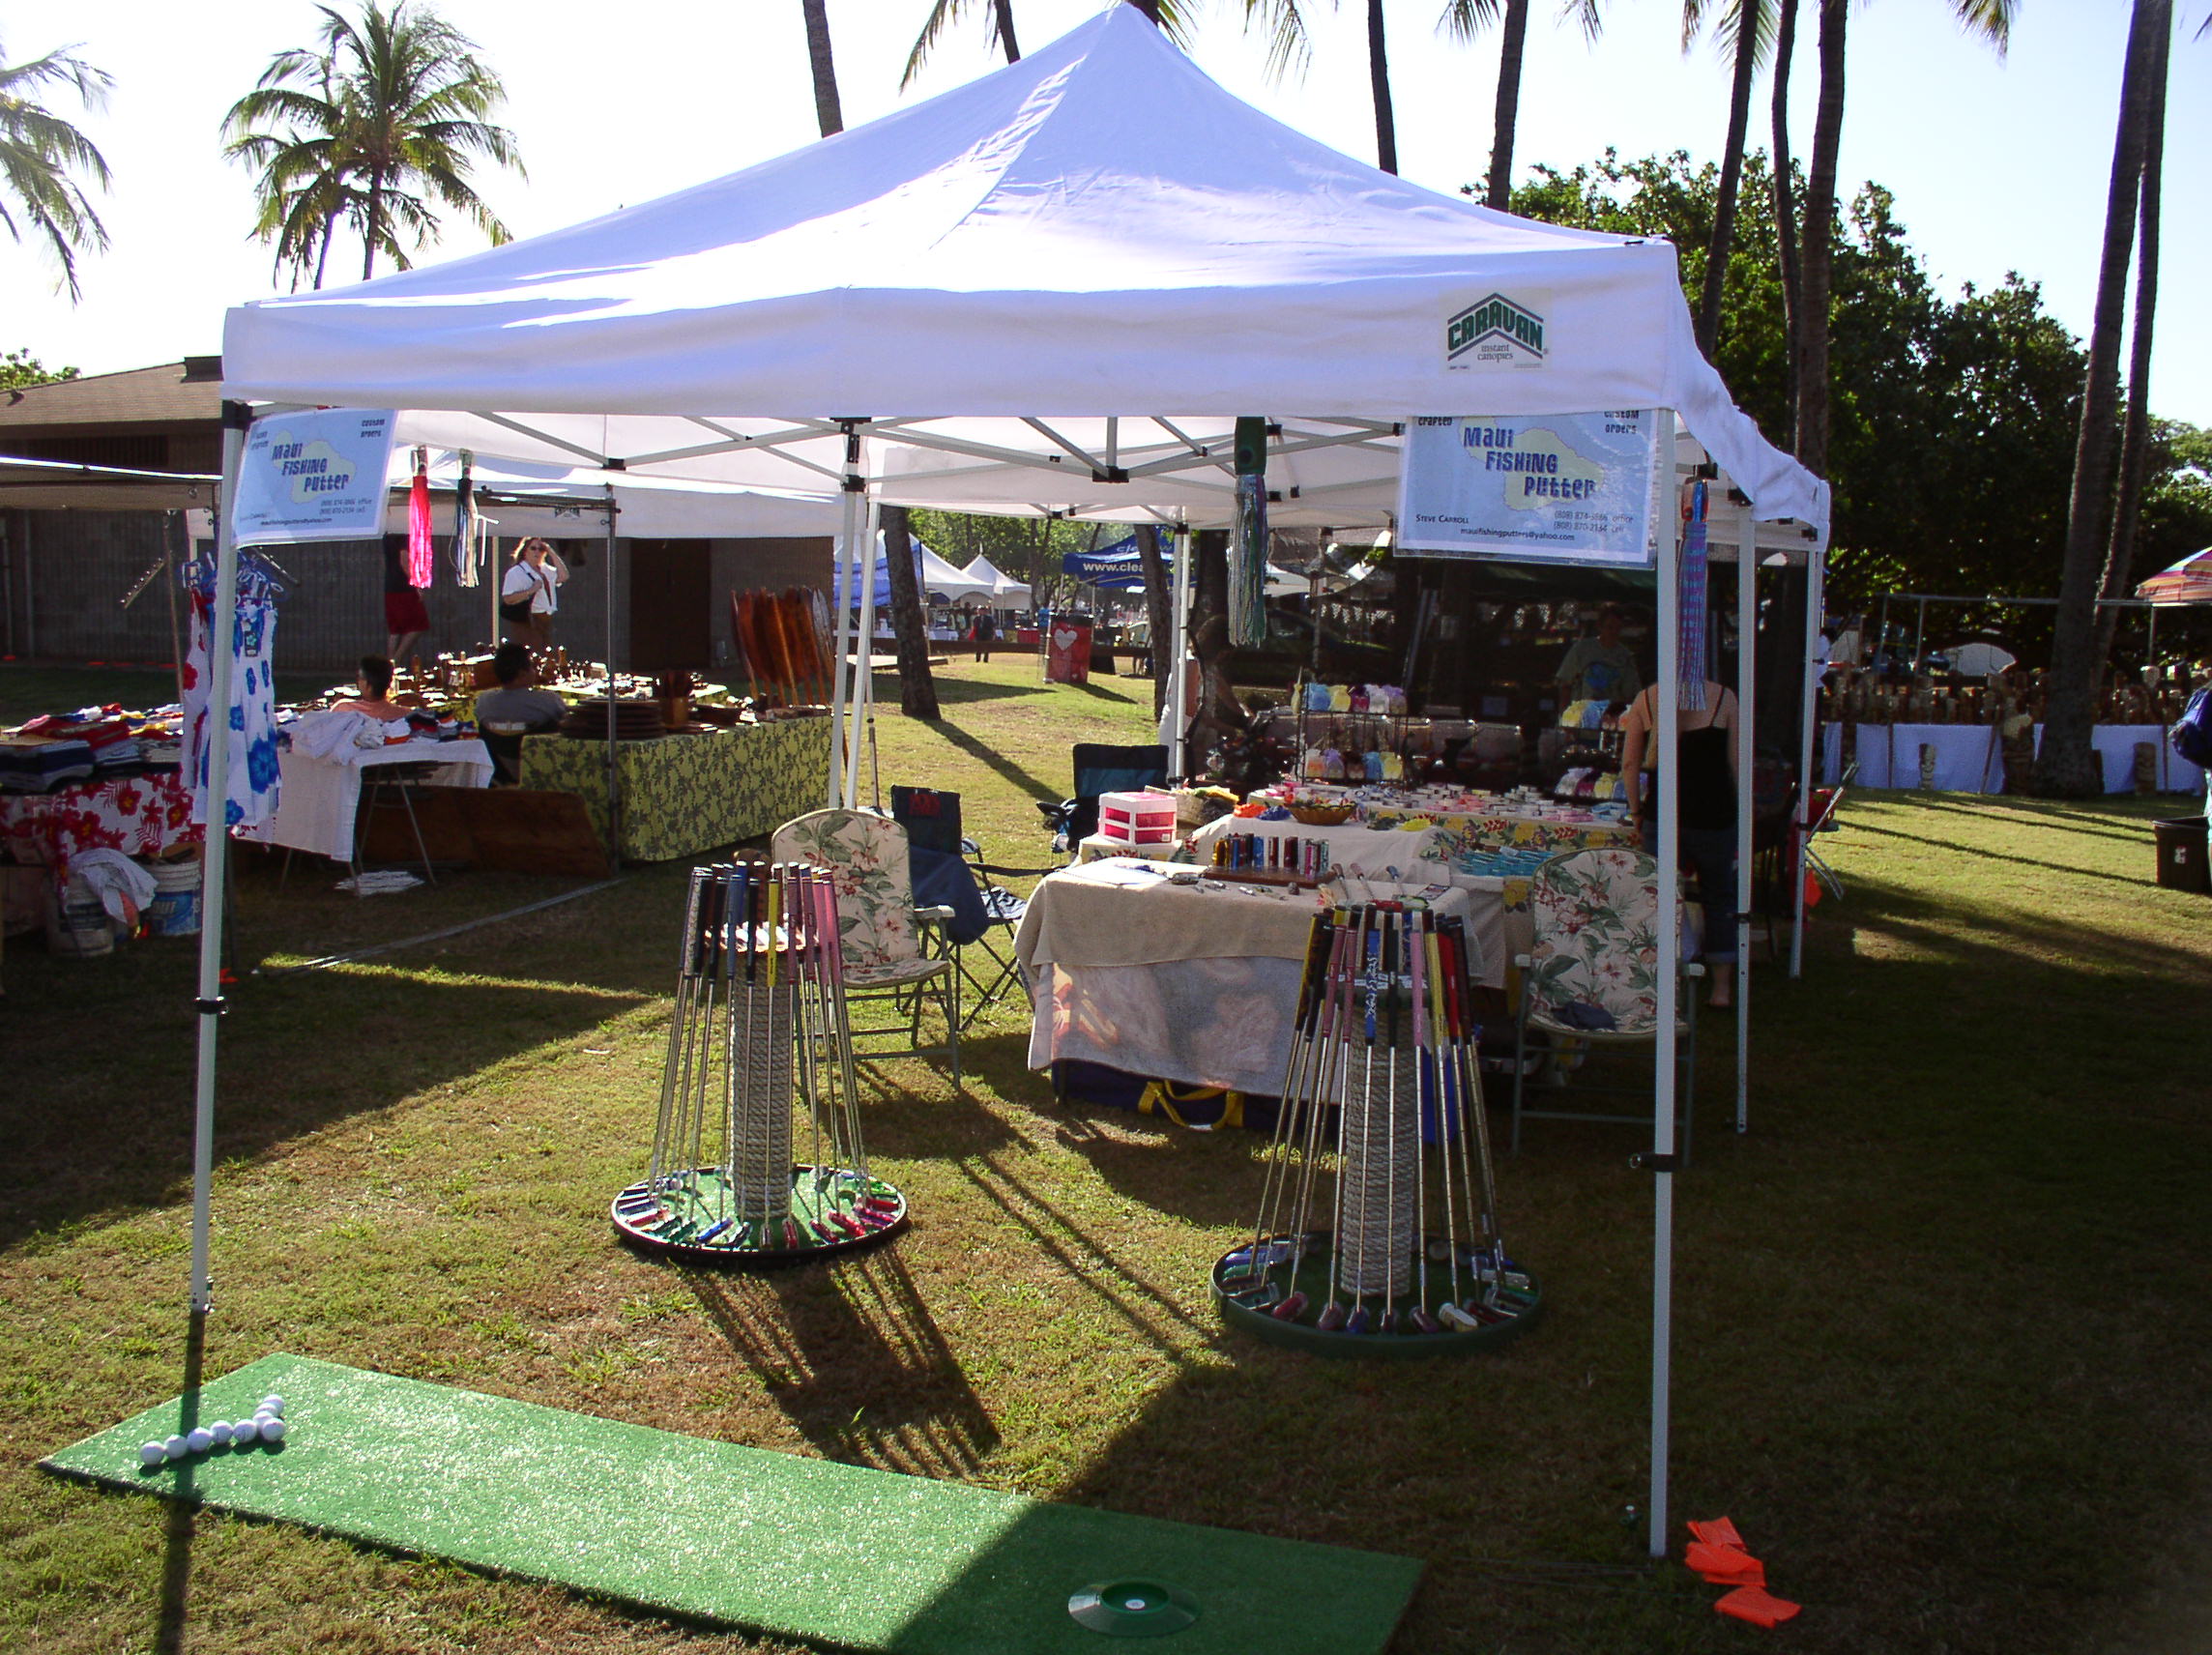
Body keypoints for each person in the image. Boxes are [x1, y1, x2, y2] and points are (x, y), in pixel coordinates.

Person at [1619, 677, 1739, 1009]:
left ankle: (1661, 978)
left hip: (1663, 814)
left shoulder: (1648, 698)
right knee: (1719, 898)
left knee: (1660, 899)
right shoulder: (1724, 697)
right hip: (1714, 816)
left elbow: (1630, 764)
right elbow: (1737, 763)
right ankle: (1721, 988)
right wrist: (1741, 812)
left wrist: (1636, 809)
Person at [1555, 606, 1642, 707]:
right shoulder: (1581, 649)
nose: (1613, 632)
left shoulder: (1626, 657)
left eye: (1618, 628)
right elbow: (1565, 683)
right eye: (1610, 627)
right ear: (1600, 627)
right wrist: (1564, 711)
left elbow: (1632, 693)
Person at [473, 642, 568, 731]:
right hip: (535, 743)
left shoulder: (483, 701)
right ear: (522, 674)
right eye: (532, 667)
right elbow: (568, 721)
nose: (535, 672)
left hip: (493, 743)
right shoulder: (549, 700)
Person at [500, 537, 568, 647]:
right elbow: (508, 598)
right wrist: (531, 590)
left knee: (548, 652)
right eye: (533, 548)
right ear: (525, 551)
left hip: (546, 619)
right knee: (534, 652)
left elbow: (563, 576)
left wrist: (550, 551)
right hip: (528, 619)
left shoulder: (545, 569)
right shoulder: (516, 572)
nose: (537, 552)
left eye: (541, 549)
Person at [384, 538, 429, 664]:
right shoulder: (403, 534)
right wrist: (417, 584)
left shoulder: (388, 534)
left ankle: (389, 666)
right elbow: (404, 561)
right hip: (404, 588)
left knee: (395, 631)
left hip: (390, 587)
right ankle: (395, 662)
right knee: (419, 625)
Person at [332, 654, 412, 724]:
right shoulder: (405, 715)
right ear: (390, 683)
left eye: (359, 677)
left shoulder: (342, 708)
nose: (358, 681)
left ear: (367, 684)